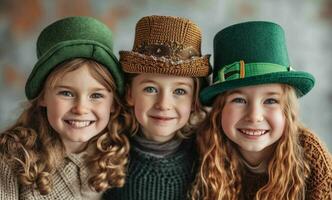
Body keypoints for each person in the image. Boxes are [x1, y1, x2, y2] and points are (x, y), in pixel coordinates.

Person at [191, 21, 332, 200]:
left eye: (271, 100)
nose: (254, 116)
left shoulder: (308, 153)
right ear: (219, 109)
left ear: (287, 111)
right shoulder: (203, 148)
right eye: (239, 100)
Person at [0, 16, 130, 199]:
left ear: (113, 103)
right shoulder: (12, 157)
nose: (80, 108)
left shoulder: (114, 153)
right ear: (42, 96)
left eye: (96, 95)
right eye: (66, 93)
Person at [103, 15, 211, 200]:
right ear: (130, 94)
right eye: (150, 89)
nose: (163, 104)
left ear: (194, 101)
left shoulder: (205, 158)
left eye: (179, 91)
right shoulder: (108, 154)